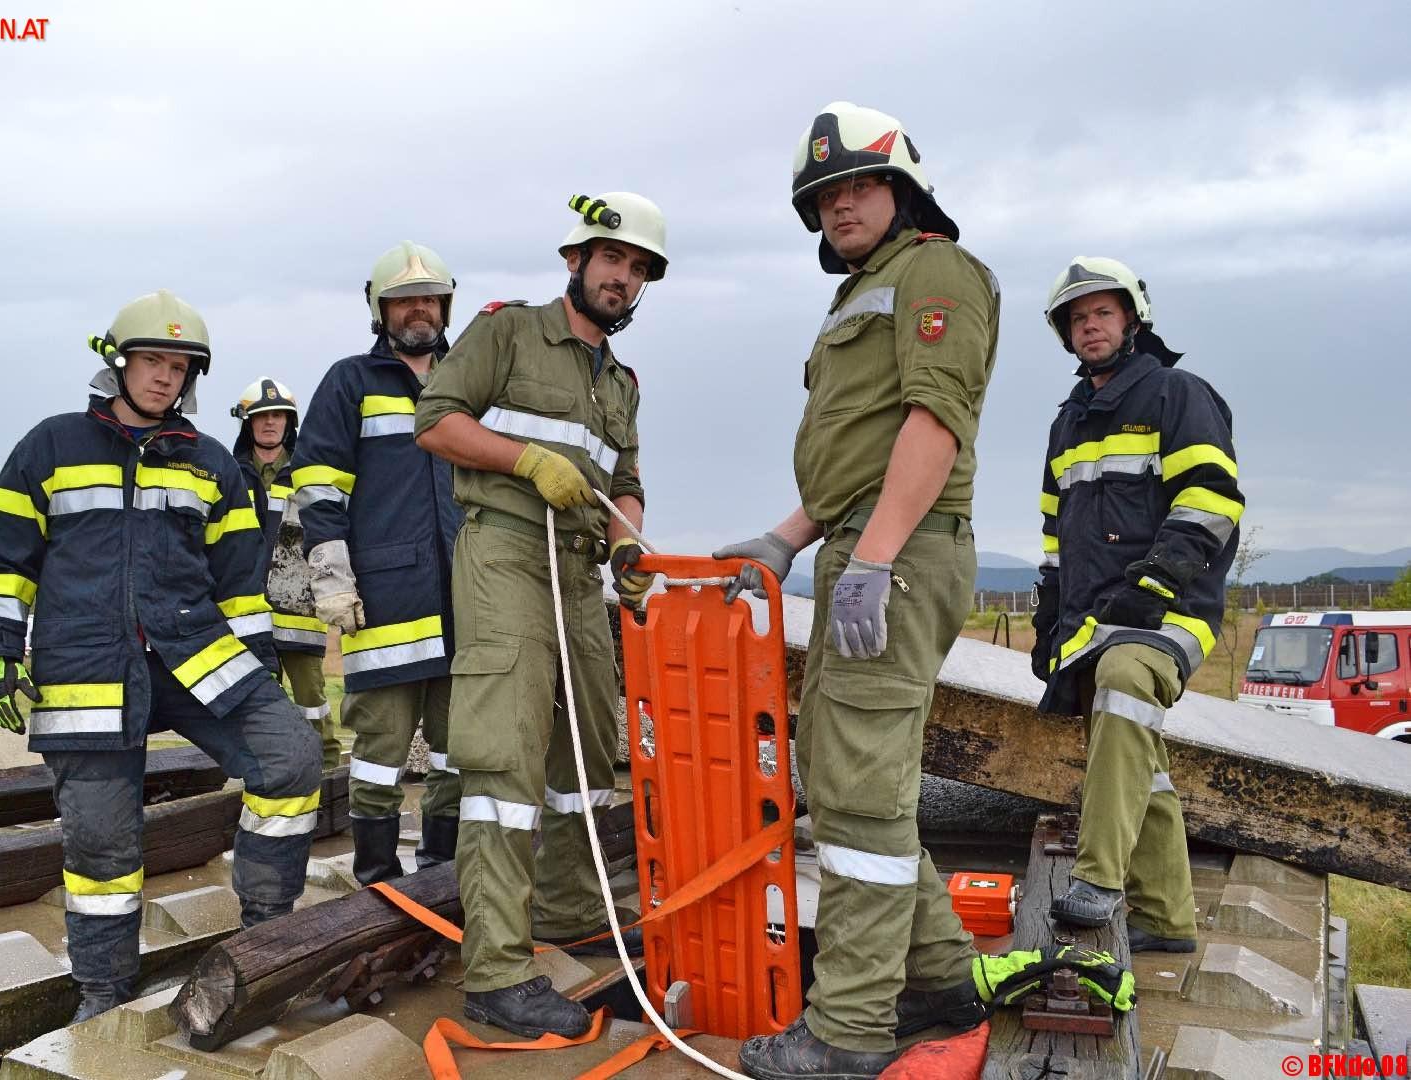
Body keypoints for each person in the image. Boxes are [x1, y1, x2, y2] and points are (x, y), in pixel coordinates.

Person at [718, 103, 999, 1079]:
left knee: (862, 792)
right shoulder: (862, 292)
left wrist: (876, 557)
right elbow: (857, 455)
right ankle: (940, 980)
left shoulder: (935, 271)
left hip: (901, 552)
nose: (841, 205)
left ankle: (849, 1026)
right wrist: (786, 539)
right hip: (860, 545)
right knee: (851, 779)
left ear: (903, 191)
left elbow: (935, 420)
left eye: (862, 185)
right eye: (826, 195)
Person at [0, 290, 322, 1023]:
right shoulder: (51, 446)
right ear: (118, 362)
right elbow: (3, 562)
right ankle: (102, 992)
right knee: (101, 843)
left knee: (291, 758)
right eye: (153, 360)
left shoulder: (210, 462)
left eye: (180, 366)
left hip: (195, 653)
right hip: (87, 665)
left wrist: (259, 666)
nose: (165, 377)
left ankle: (263, 937)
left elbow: (240, 583)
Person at [412, 193, 664, 1038]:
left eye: (637, 269)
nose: (622, 278)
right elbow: (435, 422)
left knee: (587, 755)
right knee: (504, 761)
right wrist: (525, 462)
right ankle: (496, 972)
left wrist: (629, 546)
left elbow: (625, 480)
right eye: (611, 259)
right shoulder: (509, 332)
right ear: (576, 260)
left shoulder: (620, 384)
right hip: (506, 554)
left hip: (581, 571)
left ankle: (568, 911)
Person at [1031, 257, 1243, 954]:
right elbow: (1056, 534)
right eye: (1077, 318)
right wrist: (1048, 618)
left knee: (1125, 686)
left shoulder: (1177, 394)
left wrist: (1157, 580)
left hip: (1169, 611)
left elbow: (1212, 498)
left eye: (1102, 312)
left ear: (1131, 320)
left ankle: (1099, 879)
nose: (1089, 326)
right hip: (1093, 621)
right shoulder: (1068, 423)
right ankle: (1167, 918)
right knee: (1135, 755)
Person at [293, 242, 466, 884]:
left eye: (429, 299)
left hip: (465, 605)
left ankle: (442, 871)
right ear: (380, 310)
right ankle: (377, 879)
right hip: (386, 603)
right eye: (403, 301)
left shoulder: (466, 382)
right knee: (379, 754)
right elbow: (318, 486)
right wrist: (332, 579)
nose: (418, 310)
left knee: (458, 751)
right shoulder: (351, 382)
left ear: (445, 307)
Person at [229, 378, 335, 771]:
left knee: (312, 704)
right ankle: (266, 775)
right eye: (261, 416)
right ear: (248, 423)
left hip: (300, 615)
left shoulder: (308, 474)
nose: (270, 422)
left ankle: (327, 773)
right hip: (249, 614)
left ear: (290, 422)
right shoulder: (230, 475)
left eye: (278, 415)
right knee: (259, 708)